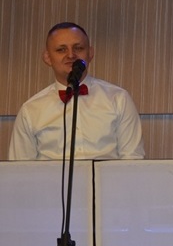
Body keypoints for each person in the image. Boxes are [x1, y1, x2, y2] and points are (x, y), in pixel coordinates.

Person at [8, 22, 145, 160]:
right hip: (53, 176)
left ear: (90, 53)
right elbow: (20, 168)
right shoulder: (30, 110)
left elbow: (132, 160)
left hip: (107, 175)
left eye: (78, 48)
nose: (71, 55)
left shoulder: (118, 99)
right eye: (61, 50)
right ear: (47, 58)